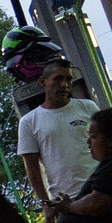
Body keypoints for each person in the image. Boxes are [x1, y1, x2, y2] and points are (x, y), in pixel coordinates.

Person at [17, 59, 99, 213]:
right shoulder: (28, 122)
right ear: (43, 82)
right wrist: (45, 204)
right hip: (65, 200)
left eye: (68, 79)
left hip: (99, 189)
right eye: (58, 79)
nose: (64, 85)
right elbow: (32, 168)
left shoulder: (88, 107)